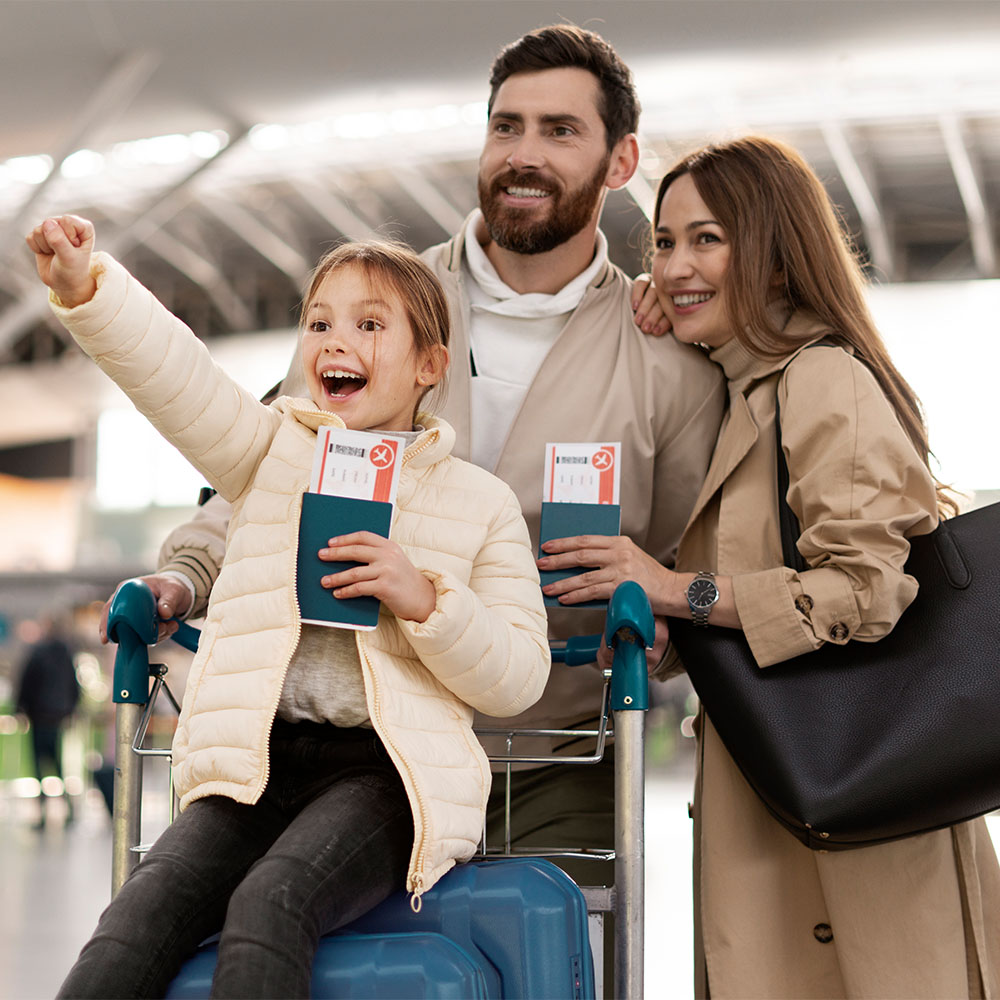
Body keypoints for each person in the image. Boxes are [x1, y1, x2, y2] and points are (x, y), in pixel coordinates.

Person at [105, 24, 726, 874]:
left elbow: (693, 560)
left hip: (555, 758)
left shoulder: (668, 365)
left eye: (560, 130)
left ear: (622, 163)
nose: (524, 153)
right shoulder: (371, 306)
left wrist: (664, 630)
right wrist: (186, 573)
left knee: (538, 956)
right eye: (506, 126)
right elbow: (273, 468)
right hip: (360, 747)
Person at [28, 215, 550, 999]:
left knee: (271, 904)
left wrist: (424, 598)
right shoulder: (272, 454)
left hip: (384, 776)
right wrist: (88, 287)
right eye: (320, 322)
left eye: (370, 324)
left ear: (430, 364)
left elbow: (517, 678)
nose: (336, 340)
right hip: (255, 763)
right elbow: (181, 380)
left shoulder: (481, 504)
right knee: (131, 924)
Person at [542, 134, 1000, 998]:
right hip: (785, 799)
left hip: (857, 827)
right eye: (665, 243)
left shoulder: (821, 379)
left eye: (707, 239)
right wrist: (667, 632)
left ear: (778, 255)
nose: (676, 264)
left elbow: (863, 593)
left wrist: (675, 585)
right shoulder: (742, 391)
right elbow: (754, 595)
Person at [15, 614, 80, 829]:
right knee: (57, 763)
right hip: (58, 716)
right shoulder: (65, 654)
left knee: (39, 765)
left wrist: (20, 708)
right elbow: (73, 684)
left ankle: (43, 813)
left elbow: (26, 682)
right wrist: (71, 709)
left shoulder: (38, 653)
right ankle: (68, 809)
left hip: (40, 715)